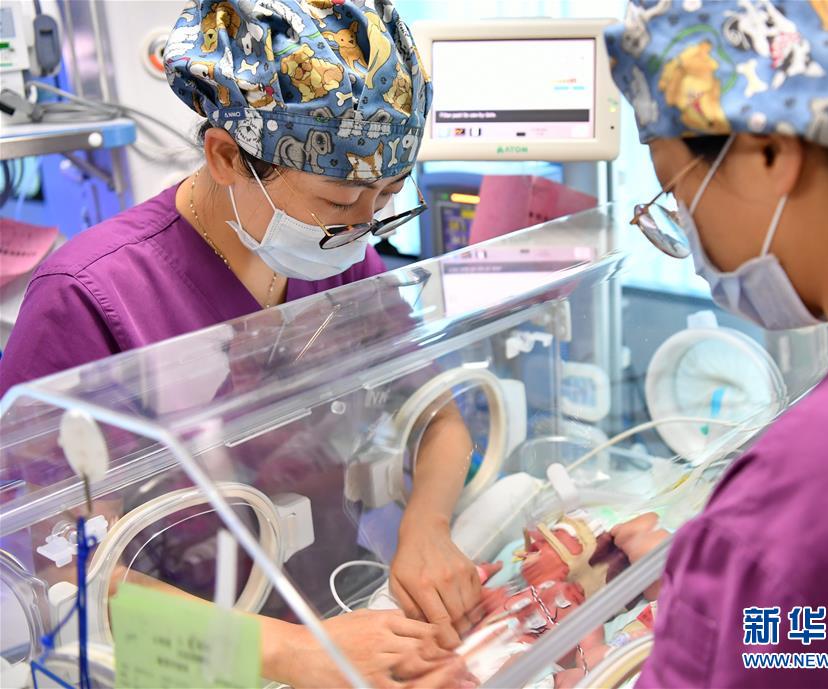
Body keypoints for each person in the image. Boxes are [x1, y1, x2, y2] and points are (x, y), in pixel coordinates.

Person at [0, 1, 482, 686]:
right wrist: (291, 653)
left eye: (387, 197)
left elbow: (439, 416)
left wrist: (426, 527)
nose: (363, 227)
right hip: (181, 658)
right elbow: (64, 577)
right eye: (341, 201)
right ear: (226, 157)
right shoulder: (86, 299)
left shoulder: (338, 257)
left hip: (332, 607)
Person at [605, 1, 828, 687]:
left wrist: (727, 590)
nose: (690, 238)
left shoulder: (819, 479)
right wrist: (721, 596)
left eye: (676, 194)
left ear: (769, 152)